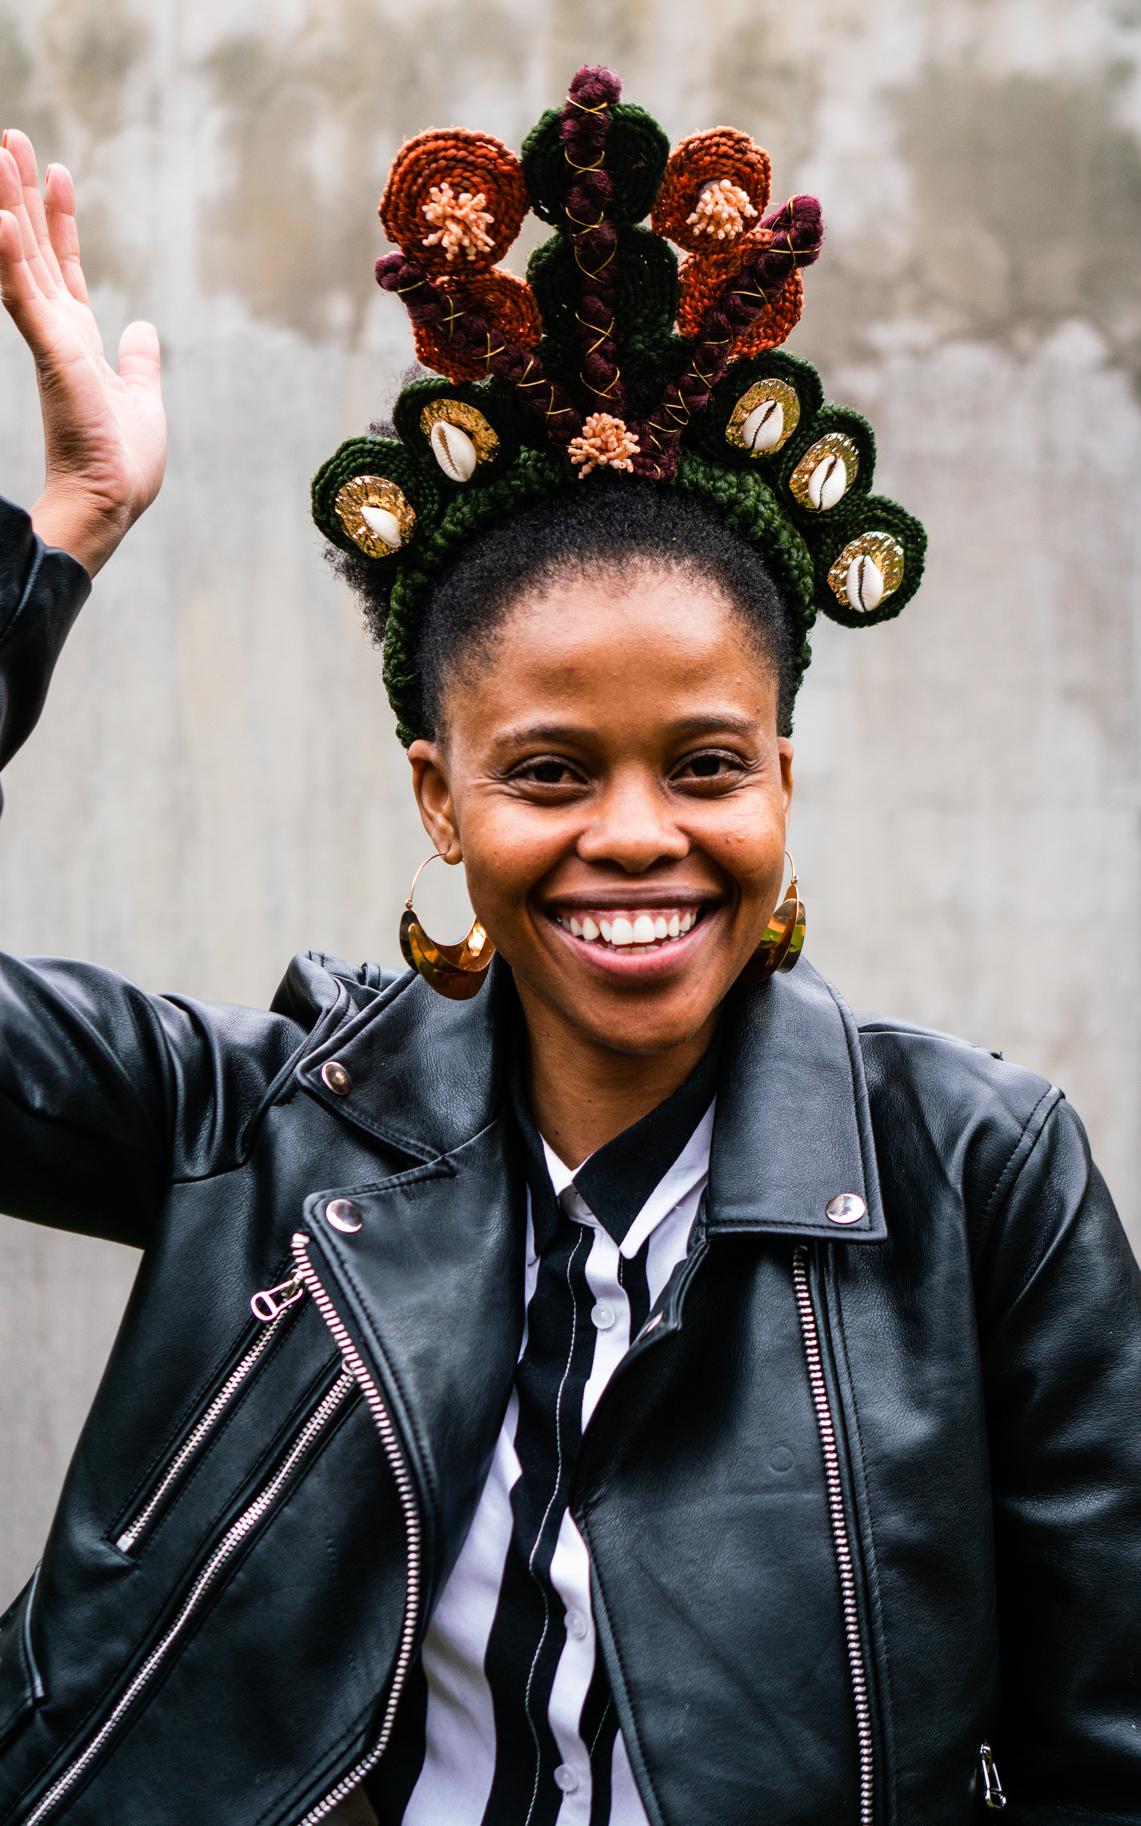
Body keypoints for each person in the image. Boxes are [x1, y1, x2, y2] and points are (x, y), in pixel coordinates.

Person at [0, 65, 1137, 1826]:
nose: (632, 833)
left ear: (779, 775)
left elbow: (1105, 1753)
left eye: (702, 764)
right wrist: (65, 527)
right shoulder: (256, 1122)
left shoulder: (980, 1176)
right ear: (438, 797)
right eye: (546, 771)